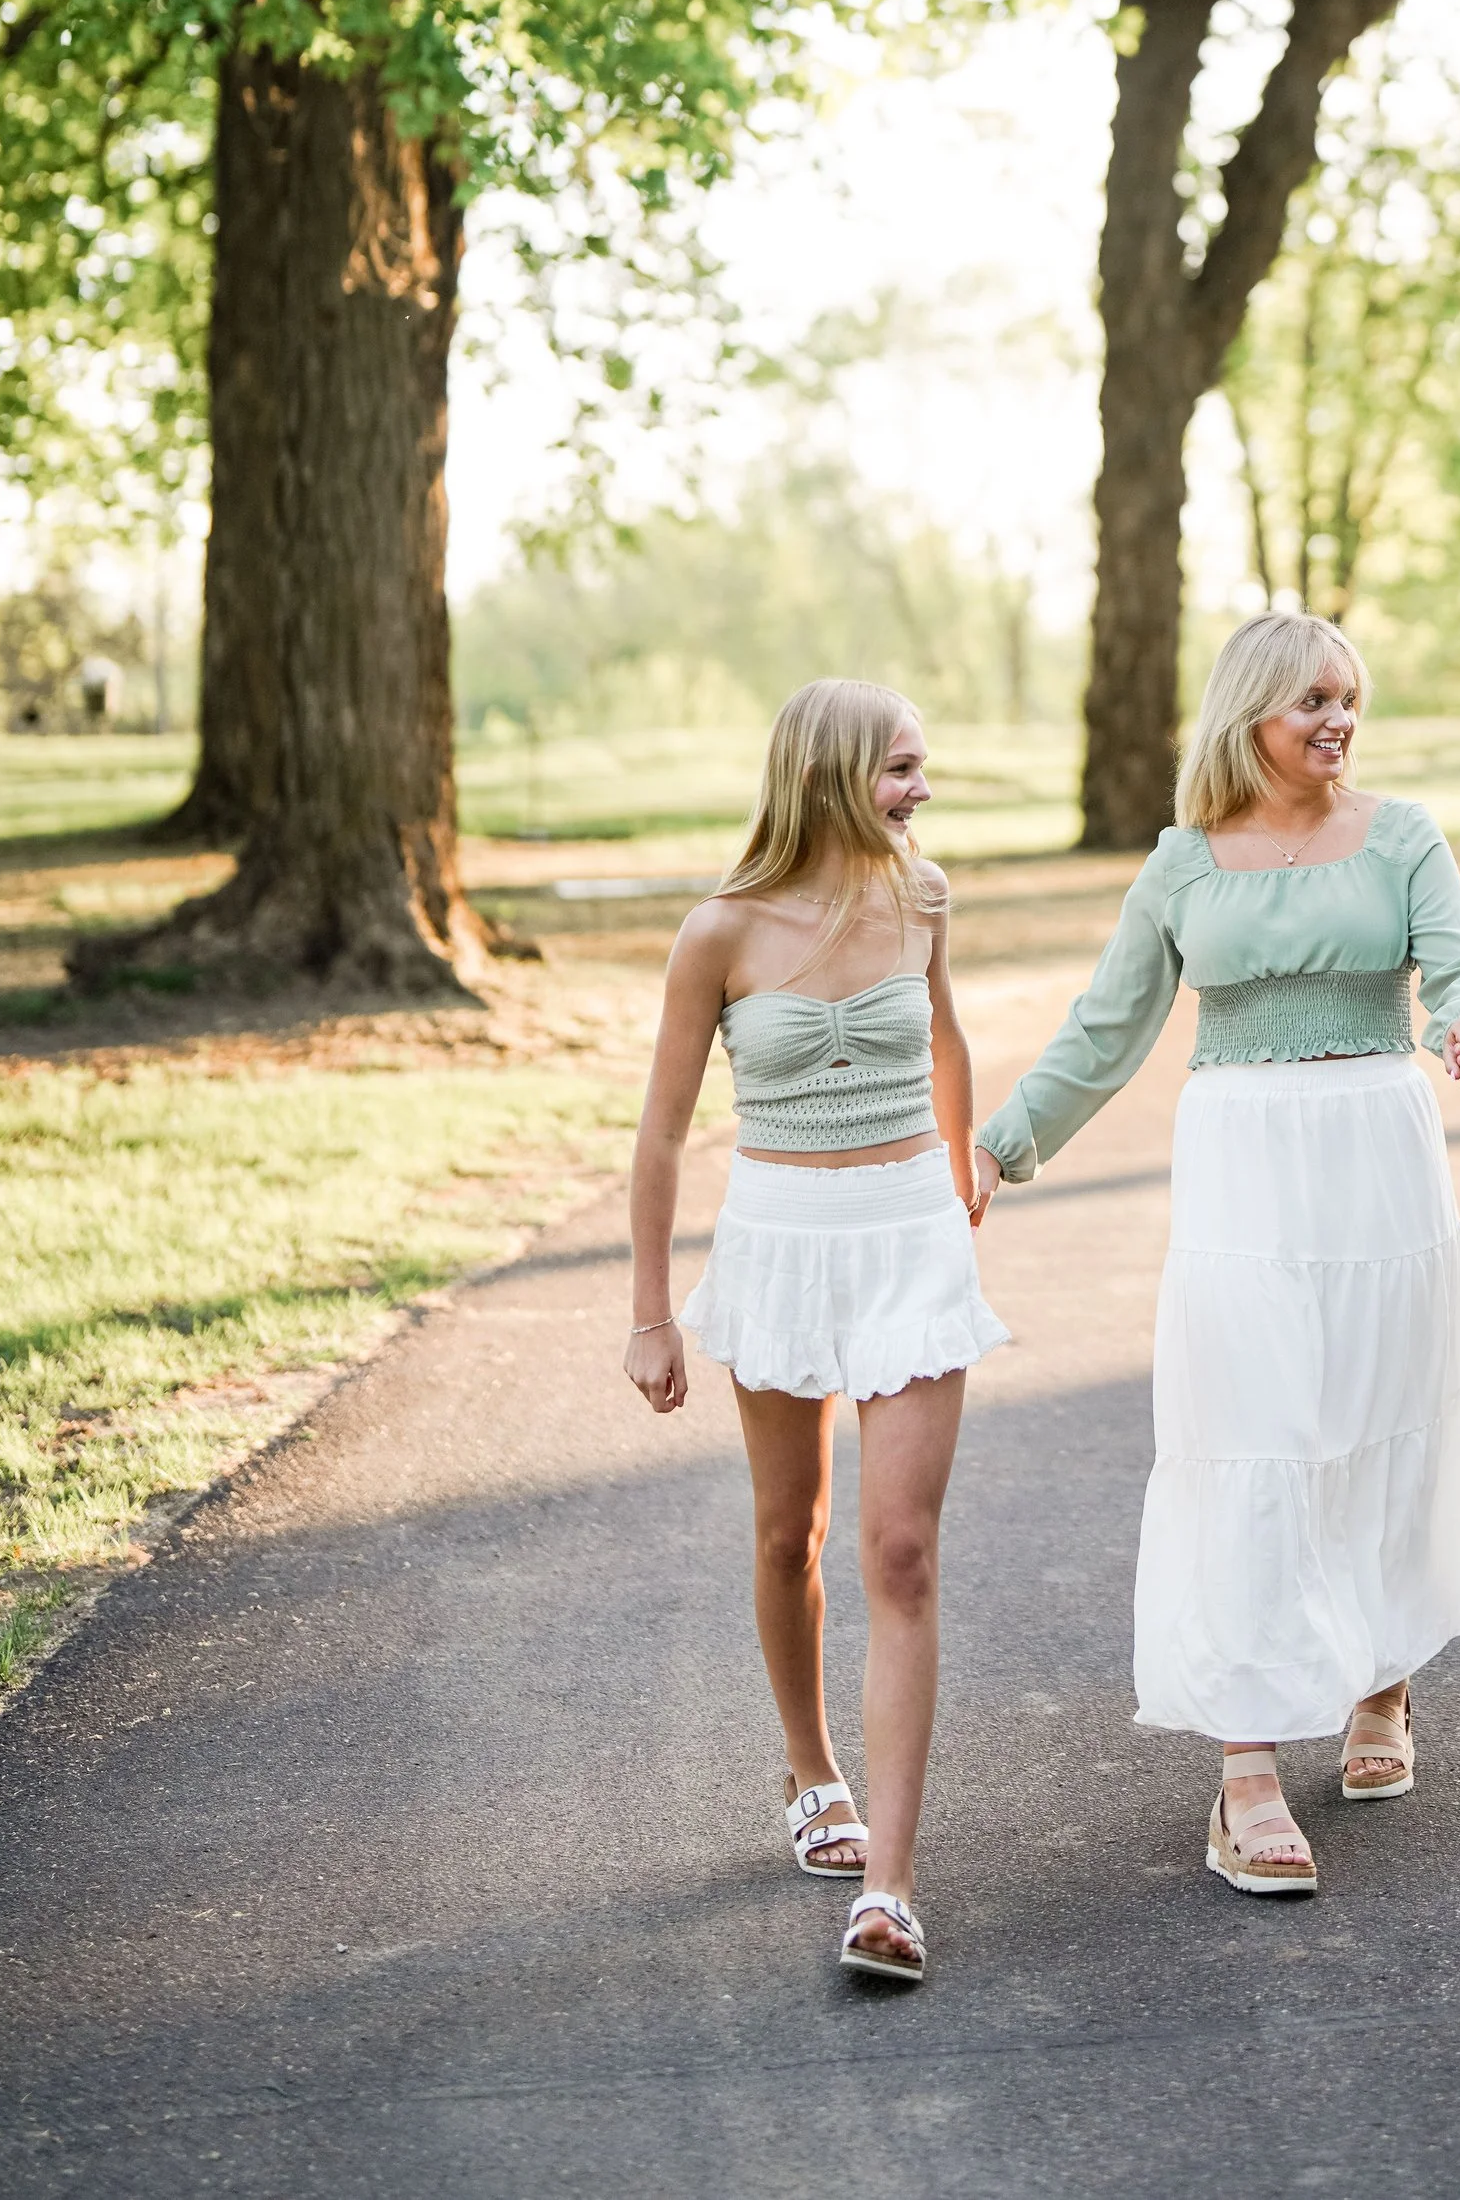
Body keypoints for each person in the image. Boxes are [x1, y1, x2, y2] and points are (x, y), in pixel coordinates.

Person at [973, 613, 1460, 1895]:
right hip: (1245, 1163)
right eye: (1312, 701)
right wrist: (1000, 1144)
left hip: (1379, 1155)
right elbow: (1109, 1024)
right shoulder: (1184, 863)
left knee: (1380, 1415)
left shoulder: (1402, 836)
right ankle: (1244, 1769)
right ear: (1250, 714)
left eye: (1349, 698)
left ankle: (1380, 1685)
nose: (1338, 721)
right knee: (1252, 1434)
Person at [625, 678, 1007, 1986]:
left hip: (909, 1236)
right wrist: (648, 1316)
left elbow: (947, 1040)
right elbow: (664, 1131)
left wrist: (964, 1178)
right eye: (901, 767)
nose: (919, 790)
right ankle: (811, 1767)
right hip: (778, 1242)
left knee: (900, 1550)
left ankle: (890, 1890)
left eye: (922, 766)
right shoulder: (718, 933)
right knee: (792, 1530)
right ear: (833, 769)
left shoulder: (924, 896)